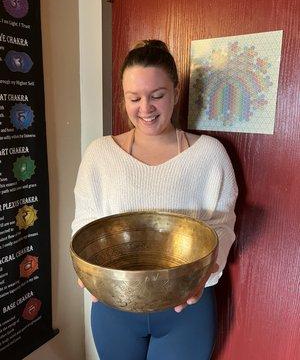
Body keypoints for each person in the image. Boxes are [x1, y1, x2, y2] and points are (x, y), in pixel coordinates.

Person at [71, 40, 238, 360]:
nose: (145, 108)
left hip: (186, 308)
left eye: (157, 96)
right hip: (113, 306)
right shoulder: (100, 155)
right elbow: (85, 222)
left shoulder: (209, 155)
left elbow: (222, 225)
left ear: (176, 92)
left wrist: (204, 276)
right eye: (134, 98)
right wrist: (85, 271)